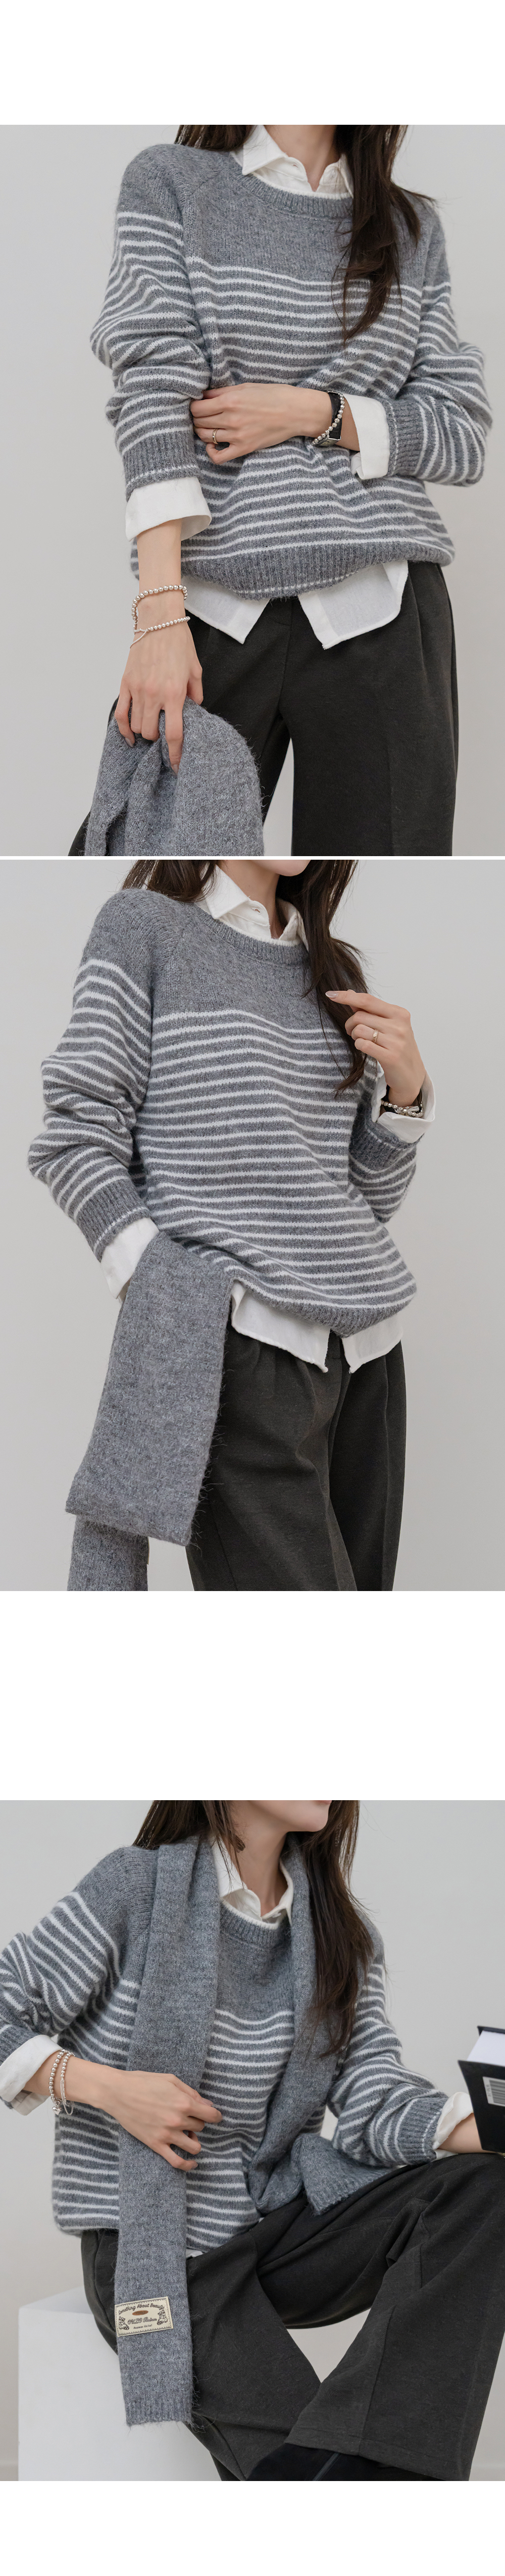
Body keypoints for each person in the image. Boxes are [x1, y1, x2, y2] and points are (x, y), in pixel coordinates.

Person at [1, 1799, 503, 2482]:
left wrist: (491, 2122)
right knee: (311, 2471)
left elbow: (375, 2098)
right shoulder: (134, 1888)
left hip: (277, 2230)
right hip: (161, 2248)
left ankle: (373, 2471)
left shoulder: (342, 1934)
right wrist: (109, 2088)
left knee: (484, 2189)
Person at [28, 860, 435, 1593]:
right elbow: (75, 1135)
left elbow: (361, 1202)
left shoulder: (330, 967)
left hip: (370, 1356)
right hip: (242, 1354)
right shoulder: (145, 929)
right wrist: (170, 1285)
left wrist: (406, 1099)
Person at [86, 124, 491, 857]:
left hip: (384, 607)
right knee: (137, 858)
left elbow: (461, 434)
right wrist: (158, 616)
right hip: (213, 608)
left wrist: (315, 413)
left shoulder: (410, 228)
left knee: (385, 873)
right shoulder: (173, 184)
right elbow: (152, 388)